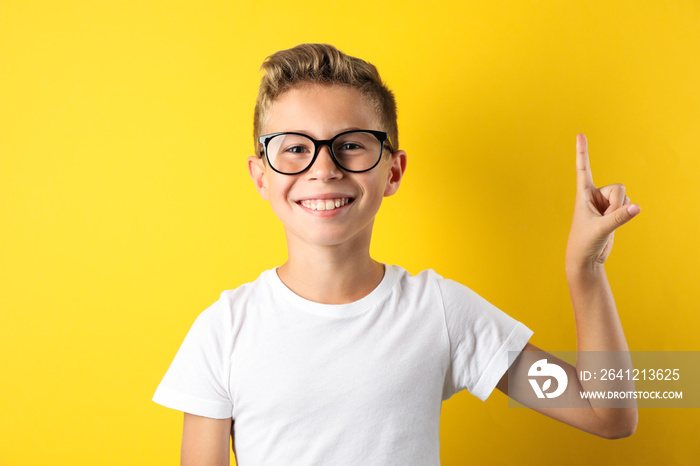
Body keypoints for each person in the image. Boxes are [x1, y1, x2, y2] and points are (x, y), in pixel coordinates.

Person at [153, 43, 640, 465]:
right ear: (261, 175)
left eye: (351, 145)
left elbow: (608, 411)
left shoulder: (440, 312)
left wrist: (587, 269)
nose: (324, 169)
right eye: (295, 148)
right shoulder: (223, 331)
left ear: (393, 171)